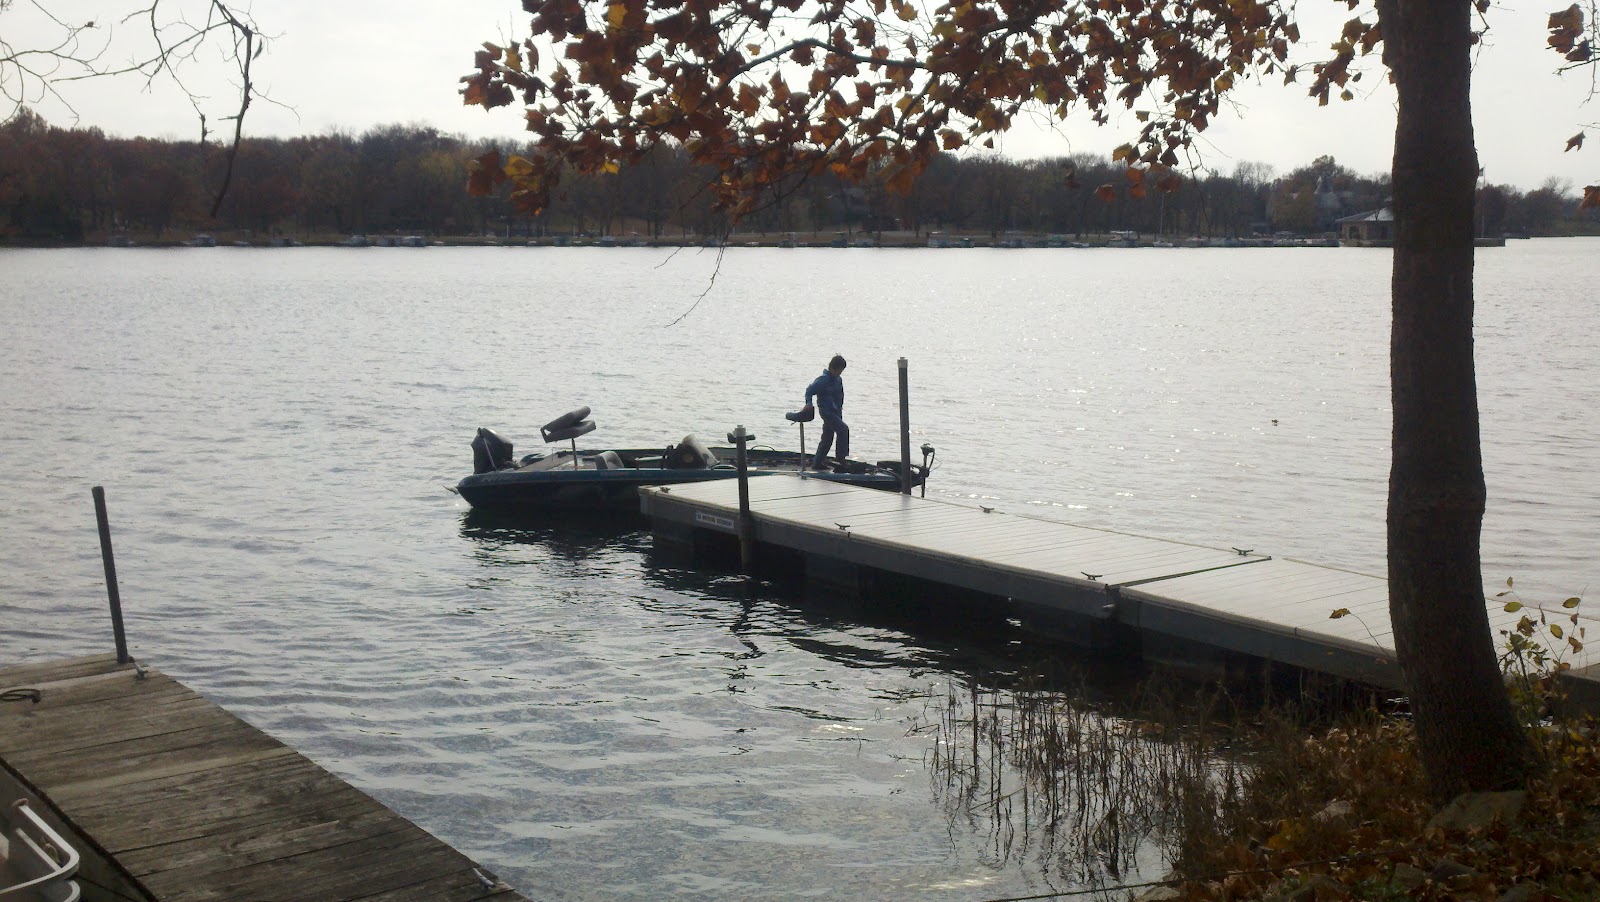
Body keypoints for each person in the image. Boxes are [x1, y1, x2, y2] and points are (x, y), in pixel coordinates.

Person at [802, 355, 848, 470]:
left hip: (836, 412)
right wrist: (808, 403)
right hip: (827, 413)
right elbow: (809, 391)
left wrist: (839, 412)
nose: (840, 373)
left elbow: (840, 397)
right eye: (839, 371)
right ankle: (840, 457)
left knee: (827, 438)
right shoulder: (823, 380)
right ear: (832, 368)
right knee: (843, 429)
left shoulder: (838, 380)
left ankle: (817, 463)